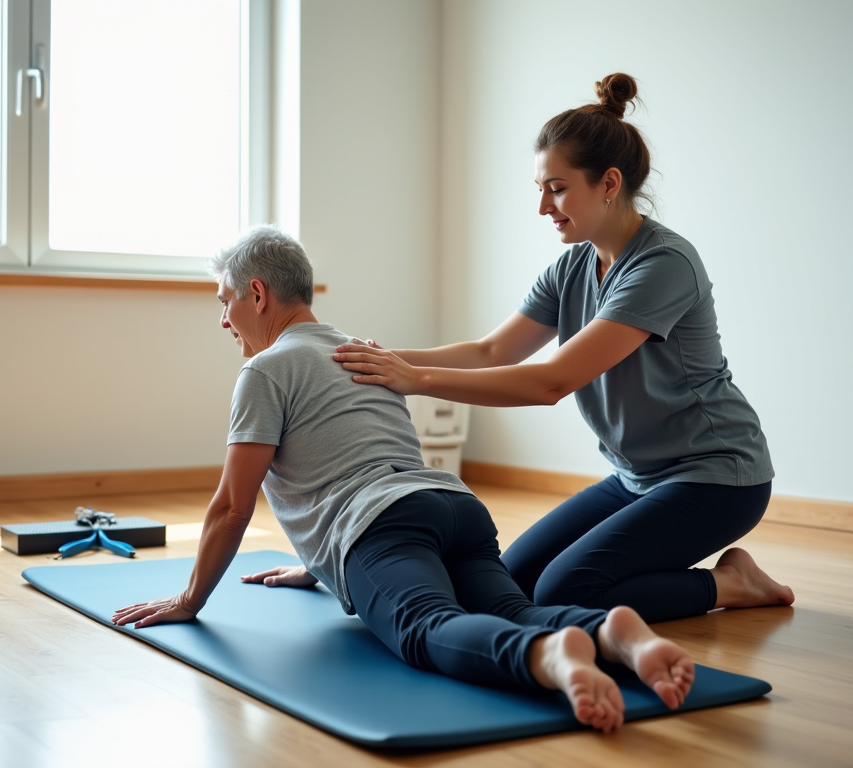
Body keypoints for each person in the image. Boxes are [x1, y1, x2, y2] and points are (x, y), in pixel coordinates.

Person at [112, 226, 696, 734]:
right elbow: (355, 456)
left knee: (425, 627)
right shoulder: (365, 354)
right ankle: (612, 632)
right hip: (452, 507)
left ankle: (545, 655)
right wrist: (322, 559)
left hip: (382, 526)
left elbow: (230, 508)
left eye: (226, 302)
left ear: (257, 294)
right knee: (511, 608)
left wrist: (190, 600)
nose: (223, 319)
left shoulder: (263, 371)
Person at [332, 74, 795, 624]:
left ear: (608, 183)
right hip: (636, 478)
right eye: (539, 189)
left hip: (717, 477)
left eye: (556, 188)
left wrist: (413, 380)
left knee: (563, 592)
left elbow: (550, 382)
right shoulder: (573, 265)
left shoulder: (663, 264)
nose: (544, 207)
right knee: (509, 583)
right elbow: (491, 351)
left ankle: (728, 584)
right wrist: (385, 360)